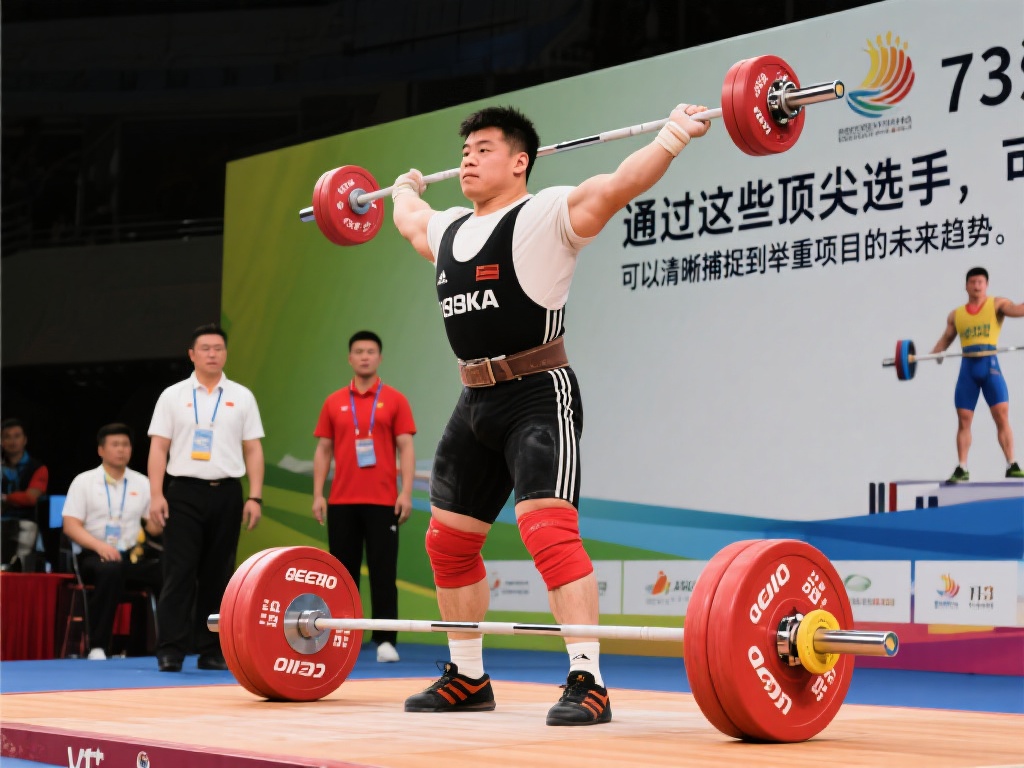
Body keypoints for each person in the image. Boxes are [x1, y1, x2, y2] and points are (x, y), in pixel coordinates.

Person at [390, 103, 710, 725]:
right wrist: (402, 189)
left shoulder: (547, 214)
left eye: (484, 149)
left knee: (548, 533)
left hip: (538, 392)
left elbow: (618, 184)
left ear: (520, 162)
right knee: (448, 545)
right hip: (473, 400)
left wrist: (672, 136)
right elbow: (410, 221)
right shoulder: (450, 228)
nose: (468, 159)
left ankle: (587, 681)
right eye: (465, 151)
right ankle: (468, 676)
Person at [147, 323, 265, 672]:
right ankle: (170, 649)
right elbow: (158, 446)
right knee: (179, 572)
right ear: (192, 354)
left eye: (218, 348)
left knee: (220, 574)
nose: (212, 353)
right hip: (183, 491)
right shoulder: (173, 395)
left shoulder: (241, 396)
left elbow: (254, 449)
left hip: (227, 491)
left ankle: (212, 649)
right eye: (205, 348)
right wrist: (156, 494)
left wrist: (254, 498)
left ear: (225, 354)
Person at [312, 330, 417, 663]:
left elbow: (406, 447)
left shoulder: (396, 400)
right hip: (341, 501)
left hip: (384, 501)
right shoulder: (333, 401)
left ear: (380, 358)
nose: (365, 356)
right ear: (350, 358)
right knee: (342, 575)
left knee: (384, 573)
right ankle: (343, 637)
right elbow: (323, 450)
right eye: (358, 351)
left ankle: (385, 640)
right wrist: (318, 494)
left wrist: (406, 492)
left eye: (371, 351)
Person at [62, 423, 163, 660]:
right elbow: (70, 525)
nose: (121, 450)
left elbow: (153, 528)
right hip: (93, 555)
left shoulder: (142, 483)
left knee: (170, 570)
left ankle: (164, 644)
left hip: (130, 555)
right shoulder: (84, 481)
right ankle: (98, 645)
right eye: (115, 444)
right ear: (101, 450)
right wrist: (100, 547)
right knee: (110, 571)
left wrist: (160, 516)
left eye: (125, 444)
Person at [930, 267, 1024, 483]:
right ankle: (962, 467)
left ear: (986, 285)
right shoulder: (956, 314)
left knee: (1001, 416)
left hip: (990, 368)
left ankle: (1012, 464)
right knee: (964, 420)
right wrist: (932, 355)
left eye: (980, 282)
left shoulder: (997, 304)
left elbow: (1017, 310)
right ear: (966, 286)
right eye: (973, 282)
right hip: (968, 371)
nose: (976, 285)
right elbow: (946, 339)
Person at [1, 418, 50, 568]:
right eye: (7, 437)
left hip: (26, 523)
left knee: (20, 565)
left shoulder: (38, 468)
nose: (12, 441)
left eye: (16, 436)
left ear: (25, 440)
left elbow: (30, 498)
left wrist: (5, 498)